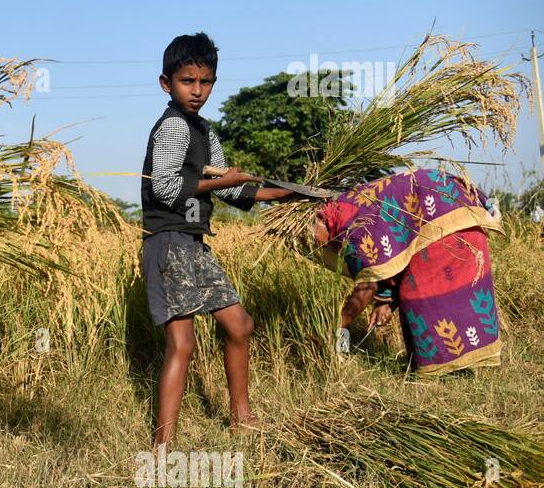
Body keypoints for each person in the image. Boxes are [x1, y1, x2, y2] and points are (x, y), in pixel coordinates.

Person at [140, 32, 292, 446]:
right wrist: (223, 180)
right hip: (168, 242)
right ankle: (162, 445)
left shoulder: (205, 130)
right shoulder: (172, 128)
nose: (197, 90)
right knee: (182, 344)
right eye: (187, 81)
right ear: (166, 83)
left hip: (193, 244)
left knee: (240, 325)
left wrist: (273, 194)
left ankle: (241, 417)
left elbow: (225, 187)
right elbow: (167, 189)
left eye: (205, 82)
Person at [314, 168, 503, 375]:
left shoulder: (351, 226)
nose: (318, 244)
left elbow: (367, 287)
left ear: (319, 218)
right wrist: (386, 300)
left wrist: (335, 325)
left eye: (314, 238)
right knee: (413, 293)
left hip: (450, 229)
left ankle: (441, 372)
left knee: (421, 296)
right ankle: (444, 372)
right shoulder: (349, 205)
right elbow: (397, 255)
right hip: (458, 219)